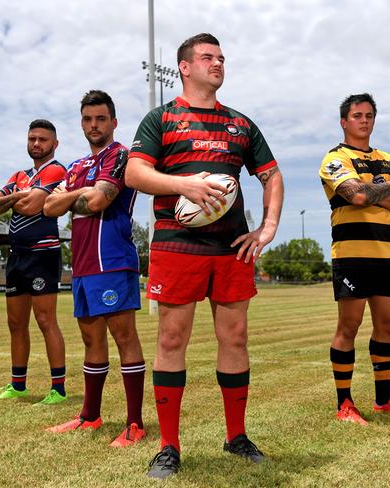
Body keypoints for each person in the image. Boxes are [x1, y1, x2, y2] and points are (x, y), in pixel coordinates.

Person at [125, 33, 284, 479]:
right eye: (207, 57)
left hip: (231, 248)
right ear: (184, 67)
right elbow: (135, 172)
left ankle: (236, 436)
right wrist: (185, 185)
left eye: (221, 57)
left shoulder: (241, 125)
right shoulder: (161, 119)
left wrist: (267, 227)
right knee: (172, 341)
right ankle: (169, 446)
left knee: (234, 339)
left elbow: (272, 176)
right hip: (177, 246)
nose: (217, 63)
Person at [43, 90, 146, 447]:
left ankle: (135, 423)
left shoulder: (121, 156)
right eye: (87, 119)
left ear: (113, 122)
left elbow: (99, 199)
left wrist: (75, 196)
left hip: (113, 261)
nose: (93, 125)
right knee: (90, 340)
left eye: (100, 119)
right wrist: (78, 194)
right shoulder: (75, 167)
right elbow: (50, 208)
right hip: (83, 265)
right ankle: (90, 415)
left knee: (124, 337)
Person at [318, 93, 390, 425]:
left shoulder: (389, 159)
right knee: (349, 326)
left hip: (387, 255)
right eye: (357, 115)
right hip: (351, 256)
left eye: (369, 115)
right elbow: (355, 195)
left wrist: (380, 189)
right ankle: (344, 404)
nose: (364, 120)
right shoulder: (335, 158)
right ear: (344, 122)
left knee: (387, 327)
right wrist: (389, 190)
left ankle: (383, 400)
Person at [0, 119, 68, 405]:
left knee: (46, 320)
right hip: (16, 255)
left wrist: (13, 198)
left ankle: (58, 389)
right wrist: (22, 195)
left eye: (43, 139)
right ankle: (17, 384)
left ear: (54, 144)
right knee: (15, 323)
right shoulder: (20, 174)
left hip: (42, 253)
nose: (37, 143)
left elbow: (32, 207)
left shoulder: (56, 170)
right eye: (32, 138)